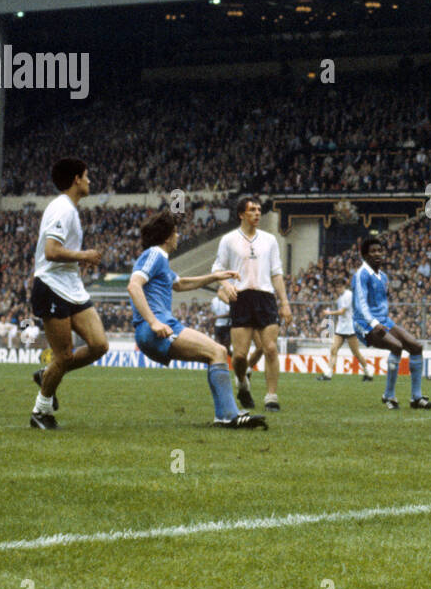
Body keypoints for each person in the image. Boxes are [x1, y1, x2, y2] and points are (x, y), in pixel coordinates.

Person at [127, 210, 264, 429]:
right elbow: (134, 285)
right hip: (156, 327)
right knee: (218, 352)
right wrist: (153, 322)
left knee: (216, 354)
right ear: (167, 237)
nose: (179, 236)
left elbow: (181, 284)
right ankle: (228, 416)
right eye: (176, 232)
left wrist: (215, 277)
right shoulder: (154, 254)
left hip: (157, 328)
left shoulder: (160, 260)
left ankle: (227, 415)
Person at [28, 157, 110, 430]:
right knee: (63, 356)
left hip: (71, 286)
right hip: (51, 287)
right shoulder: (61, 208)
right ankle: (40, 411)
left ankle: (47, 374)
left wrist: (78, 261)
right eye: (86, 176)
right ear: (76, 179)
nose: (89, 180)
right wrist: (83, 255)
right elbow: (51, 252)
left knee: (99, 345)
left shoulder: (71, 209)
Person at [213, 196, 291, 411]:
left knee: (271, 348)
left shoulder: (270, 240)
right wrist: (225, 284)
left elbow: (276, 273)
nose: (258, 213)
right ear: (241, 214)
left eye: (259, 210)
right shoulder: (228, 240)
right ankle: (242, 382)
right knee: (238, 356)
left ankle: (271, 396)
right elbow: (217, 269)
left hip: (265, 297)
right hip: (242, 297)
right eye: (252, 210)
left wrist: (285, 303)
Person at [352, 235, 431, 410]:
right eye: (373, 251)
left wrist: (383, 322)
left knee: (416, 347)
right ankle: (389, 395)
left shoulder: (382, 276)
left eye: (379, 250)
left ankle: (416, 397)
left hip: (383, 321)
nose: (377, 254)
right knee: (396, 346)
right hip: (364, 323)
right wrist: (374, 323)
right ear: (365, 255)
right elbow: (360, 304)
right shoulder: (361, 274)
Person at [320, 279, 374, 381]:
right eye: (337, 287)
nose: (338, 289)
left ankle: (368, 372)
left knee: (356, 353)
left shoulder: (349, 295)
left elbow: (342, 312)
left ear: (344, 286)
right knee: (333, 349)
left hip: (350, 328)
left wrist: (328, 313)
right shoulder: (340, 297)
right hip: (341, 328)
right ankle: (328, 374)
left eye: (340, 287)